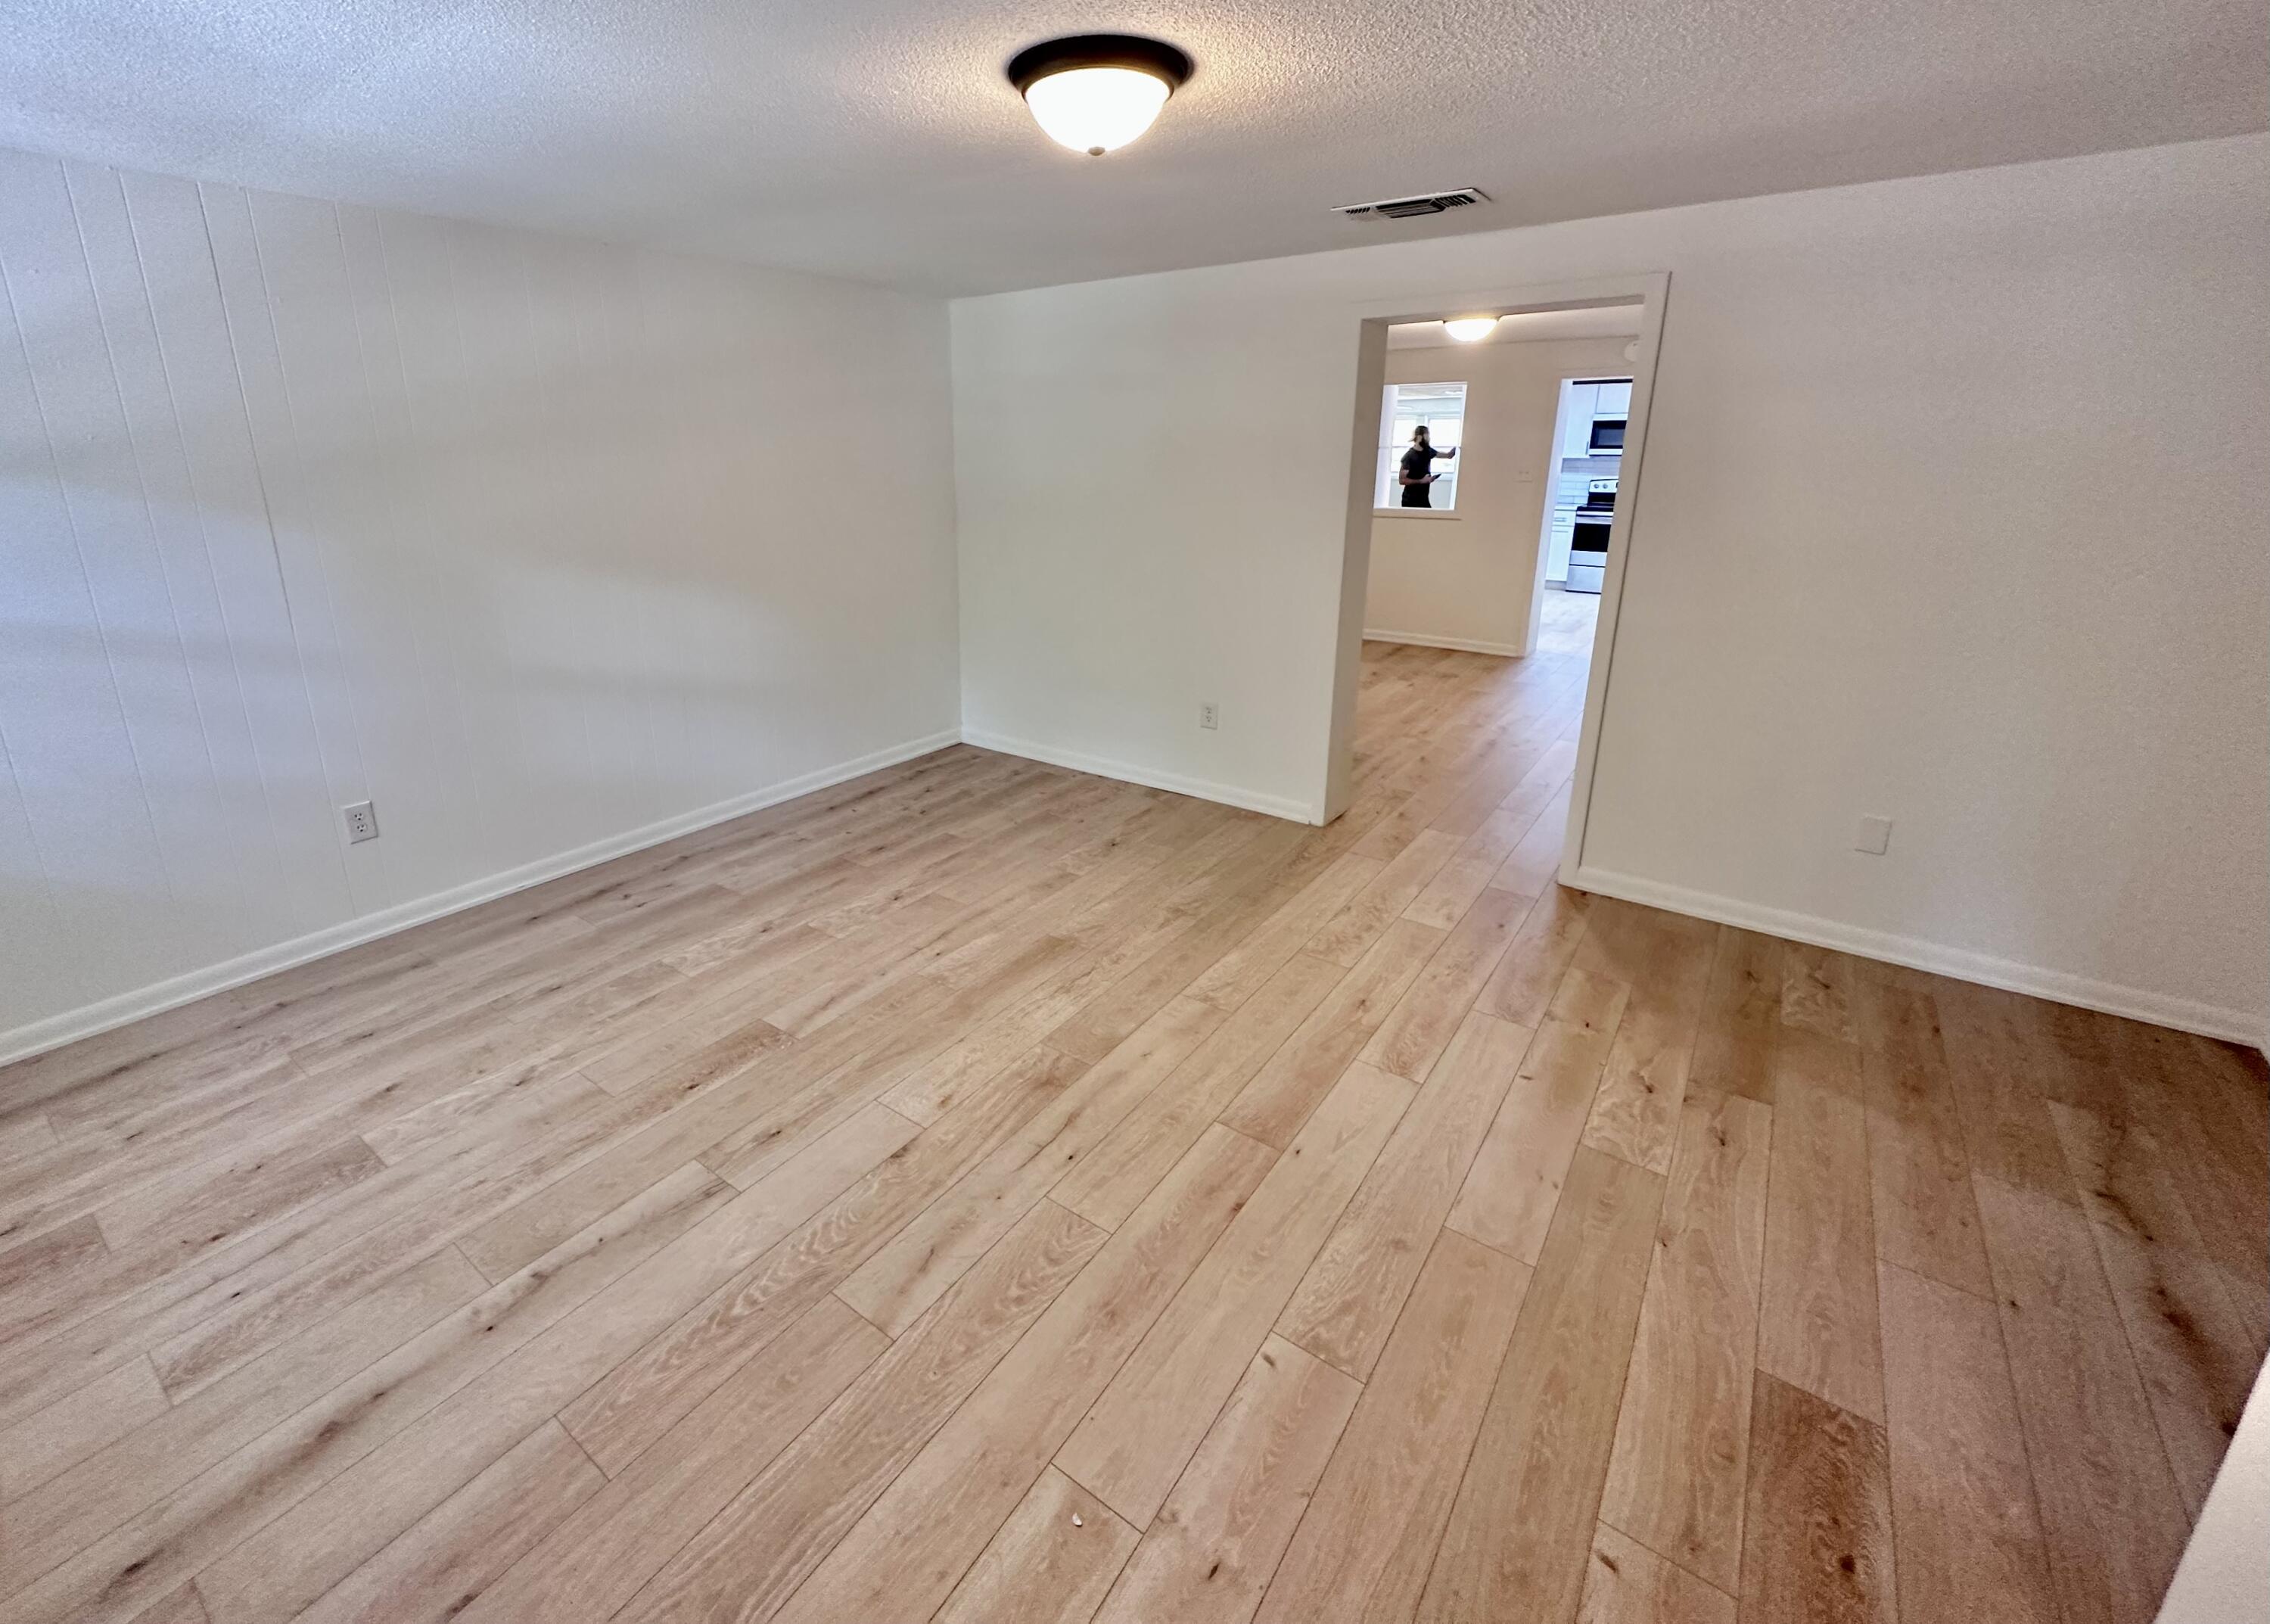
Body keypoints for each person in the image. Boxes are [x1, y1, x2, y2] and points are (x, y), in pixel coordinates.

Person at [1398, 425, 1456, 508]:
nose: (1429, 438)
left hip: (1423, 498)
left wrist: (1459, 446)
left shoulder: (1428, 451)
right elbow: (1402, 480)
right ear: (1419, 437)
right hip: (1410, 500)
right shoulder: (1408, 457)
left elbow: (1449, 455)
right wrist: (1422, 481)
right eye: (1427, 436)